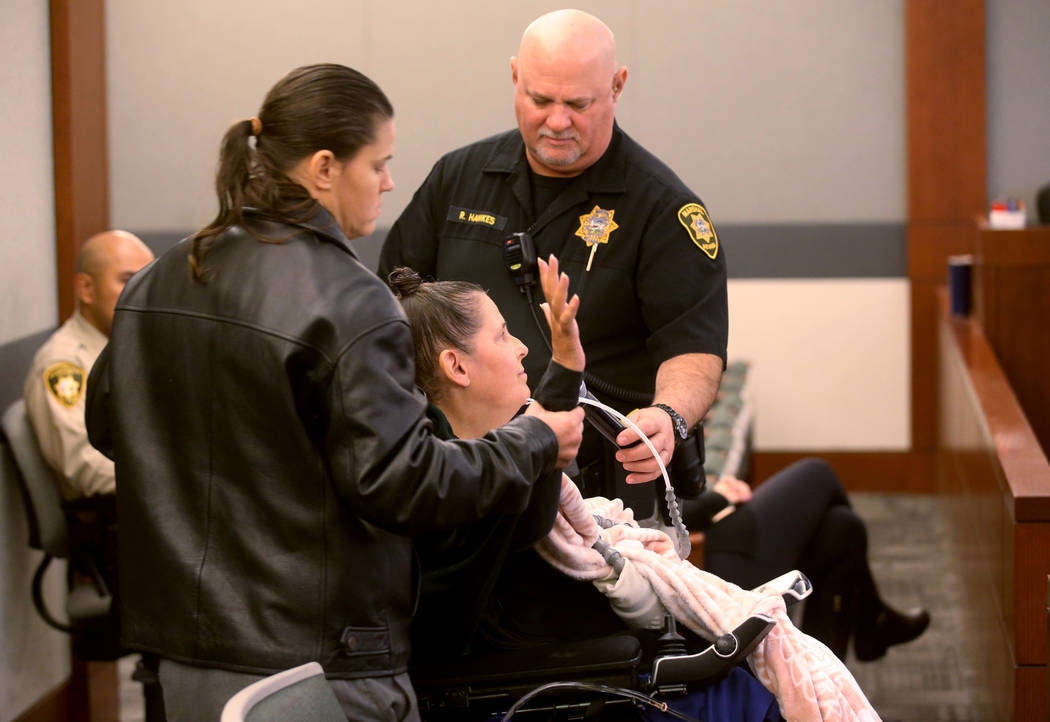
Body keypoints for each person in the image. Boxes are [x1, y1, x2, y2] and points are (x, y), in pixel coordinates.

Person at [85, 63, 584, 722]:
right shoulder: (349, 299)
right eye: (378, 164)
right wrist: (533, 440)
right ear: (325, 167)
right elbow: (405, 482)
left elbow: (110, 425)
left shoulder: (161, 278)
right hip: (317, 661)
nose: (388, 182)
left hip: (181, 652)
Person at [392, 258, 785, 721]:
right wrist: (560, 379)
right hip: (567, 684)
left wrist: (566, 365)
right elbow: (529, 480)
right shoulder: (467, 483)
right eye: (502, 335)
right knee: (750, 689)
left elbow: (533, 451)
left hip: (589, 666)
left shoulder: (456, 462)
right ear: (457, 366)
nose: (521, 348)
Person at [379, 9, 727, 522]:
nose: (557, 121)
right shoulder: (458, 178)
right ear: (515, 76)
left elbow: (693, 349)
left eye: (578, 104)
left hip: (602, 490)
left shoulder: (662, 208)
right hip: (465, 472)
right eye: (540, 100)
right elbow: (390, 308)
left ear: (617, 86)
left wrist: (668, 415)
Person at [686, 461, 931, 661]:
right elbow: (658, 512)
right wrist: (719, 497)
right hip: (703, 572)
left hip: (701, 554)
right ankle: (872, 618)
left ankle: (828, 696)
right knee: (818, 472)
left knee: (842, 530)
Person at [24, 230, 154, 500]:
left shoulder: (128, 348)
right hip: (105, 518)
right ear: (86, 289)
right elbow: (84, 464)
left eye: (148, 282)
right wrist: (167, 482)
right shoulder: (64, 362)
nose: (143, 295)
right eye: (129, 281)